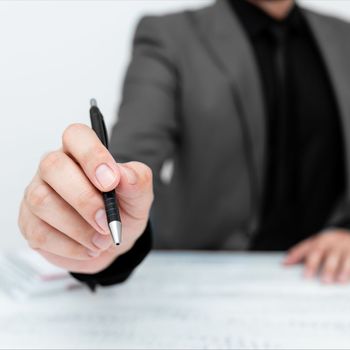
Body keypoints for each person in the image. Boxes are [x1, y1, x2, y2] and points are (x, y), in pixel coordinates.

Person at [18, 0, 350, 289]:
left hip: (326, 280)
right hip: (210, 277)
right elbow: (133, 159)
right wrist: (103, 229)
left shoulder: (342, 36)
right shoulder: (170, 35)